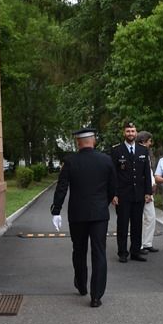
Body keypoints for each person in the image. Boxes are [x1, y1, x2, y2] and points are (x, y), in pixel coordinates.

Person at [51, 127, 116, 308]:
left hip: (77, 214)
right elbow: (113, 187)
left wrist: (56, 210)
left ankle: (81, 284)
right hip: (99, 214)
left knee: (79, 250)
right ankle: (96, 295)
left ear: (78, 142)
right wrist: (106, 202)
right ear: (93, 141)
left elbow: (62, 187)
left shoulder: (70, 162)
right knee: (99, 252)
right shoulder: (106, 160)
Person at [110, 121, 153, 262]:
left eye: (133, 131)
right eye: (128, 131)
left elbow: (146, 173)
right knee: (122, 225)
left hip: (139, 194)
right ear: (124, 133)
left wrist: (148, 192)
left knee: (137, 224)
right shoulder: (116, 150)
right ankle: (122, 252)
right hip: (123, 195)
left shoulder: (142, 150)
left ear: (136, 132)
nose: (130, 134)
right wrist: (114, 194)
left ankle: (135, 251)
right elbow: (113, 174)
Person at [137, 131, 159, 254]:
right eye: (149, 141)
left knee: (151, 217)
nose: (151, 143)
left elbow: (149, 172)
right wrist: (146, 191)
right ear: (143, 141)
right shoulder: (136, 153)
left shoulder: (148, 154)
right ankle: (139, 244)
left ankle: (147, 243)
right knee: (139, 219)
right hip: (141, 191)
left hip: (148, 189)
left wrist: (153, 184)